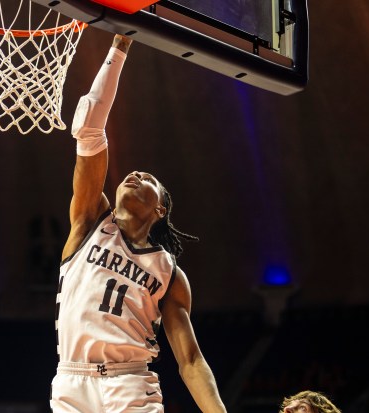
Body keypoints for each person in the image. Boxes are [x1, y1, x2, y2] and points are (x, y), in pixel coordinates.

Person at [50, 34, 228, 413]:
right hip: (70, 379)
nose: (134, 174)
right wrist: (119, 46)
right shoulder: (88, 222)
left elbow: (191, 361)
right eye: (132, 173)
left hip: (129, 382)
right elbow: (89, 130)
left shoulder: (169, 273)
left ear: (160, 209)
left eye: (147, 178)